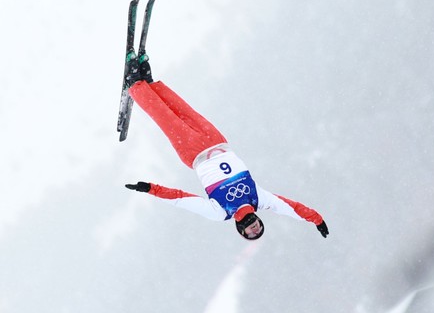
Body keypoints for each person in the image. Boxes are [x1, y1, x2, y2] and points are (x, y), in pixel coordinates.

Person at [122, 56, 328, 240]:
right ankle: (150, 83)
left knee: (165, 118)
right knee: (182, 109)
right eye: (258, 229)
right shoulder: (260, 199)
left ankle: (136, 84)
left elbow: (181, 199)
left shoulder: (220, 212)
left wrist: (150, 188)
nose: (254, 228)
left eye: (251, 233)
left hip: (194, 153)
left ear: (241, 230)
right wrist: (316, 219)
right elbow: (292, 208)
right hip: (217, 141)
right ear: (259, 221)